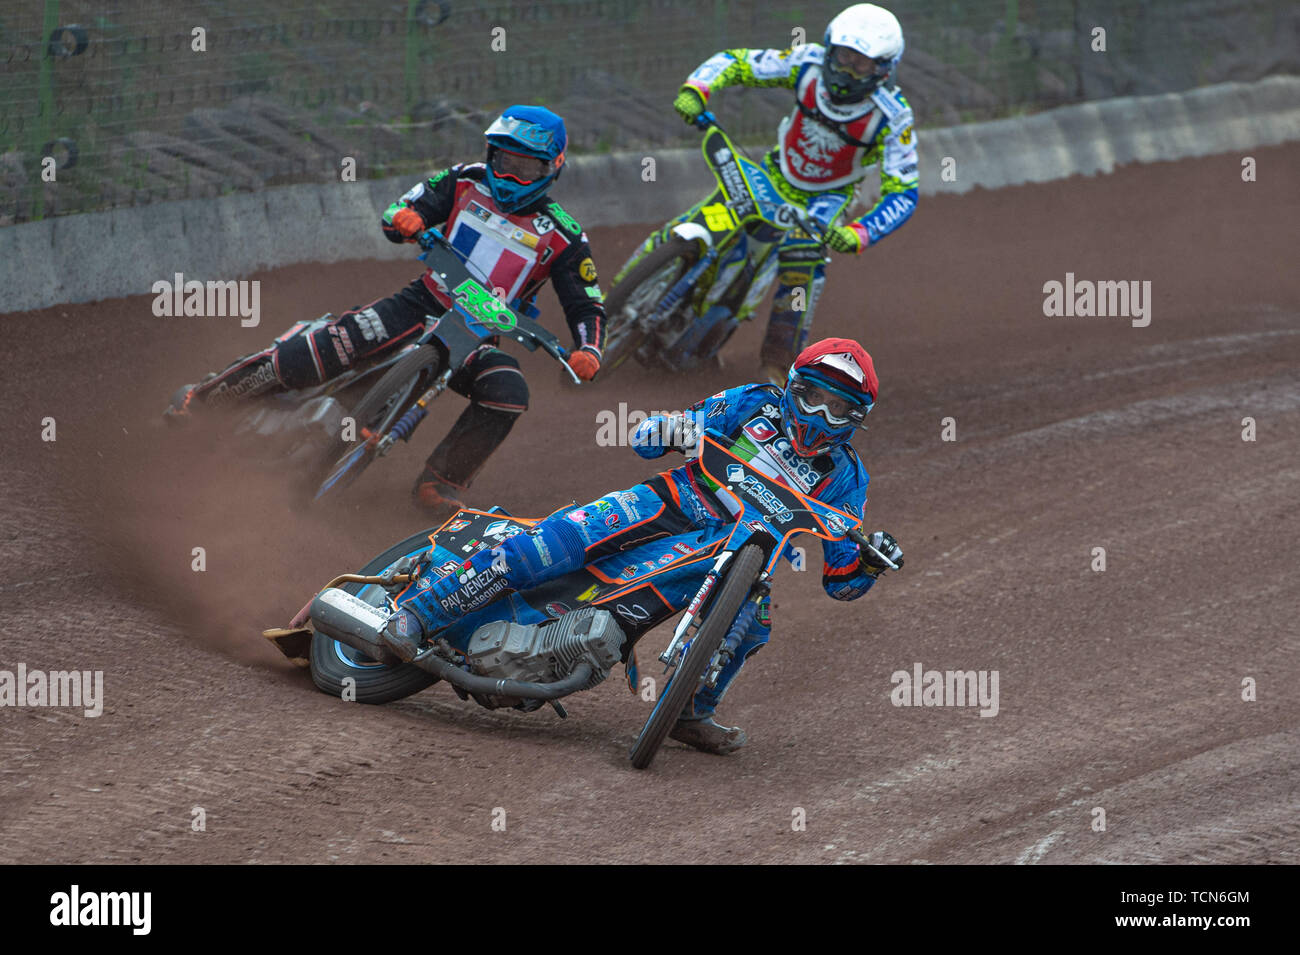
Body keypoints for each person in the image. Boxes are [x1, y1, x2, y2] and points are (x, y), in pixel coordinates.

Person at [381, 337, 904, 755]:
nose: (821, 416)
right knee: (555, 542)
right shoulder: (753, 403)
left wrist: (870, 562)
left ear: (857, 419)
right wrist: (671, 428)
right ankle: (418, 612)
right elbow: (651, 436)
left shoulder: (845, 474)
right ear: (793, 387)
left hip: (738, 553)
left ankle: (688, 711)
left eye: (840, 409)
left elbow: (840, 580)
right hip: (672, 500)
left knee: (754, 622)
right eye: (814, 397)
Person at [165, 105, 607, 514]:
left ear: (553, 167)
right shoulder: (464, 179)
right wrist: (406, 219)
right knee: (323, 351)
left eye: (526, 166)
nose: (511, 174)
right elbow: (402, 209)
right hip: (421, 302)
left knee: (509, 393)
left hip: (477, 335)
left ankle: (441, 483)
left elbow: (585, 302)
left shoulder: (565, 236)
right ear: (490, 154)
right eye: (504, 160)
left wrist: (588, 349)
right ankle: (203, 400)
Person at [658, 3, 918, 383]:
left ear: (883, 68)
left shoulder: (893, 116)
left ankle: (777, 367)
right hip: (774, 174)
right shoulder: (807, 63)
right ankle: (620, 298)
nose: (847, 70)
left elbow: (903, 192)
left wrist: (857, 234)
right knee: (707, 219)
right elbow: (739, 61)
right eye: (844, 57)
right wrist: (698, 88)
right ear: (830, 49)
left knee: (802, 260)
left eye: (860, 64)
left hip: (825, 200)